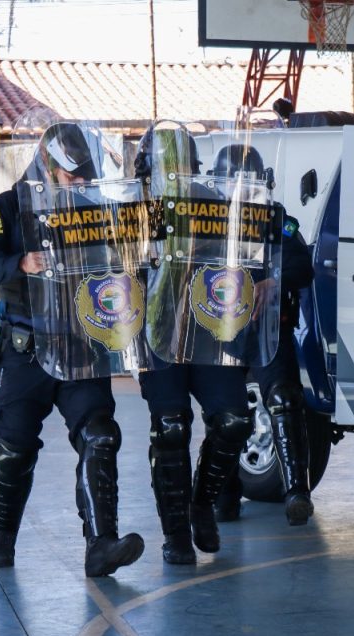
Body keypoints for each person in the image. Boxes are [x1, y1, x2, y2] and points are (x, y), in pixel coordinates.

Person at [0, 122, 145, 577]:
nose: (79, 182)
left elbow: (127, 259)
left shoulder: (94, 210)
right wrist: (19, 263)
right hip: (25, 350)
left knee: (100, 434)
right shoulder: (8, 208)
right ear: (47, 165)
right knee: (15, 445)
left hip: (81, 346)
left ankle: (101, 545)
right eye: (71, 174)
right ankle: (1, 539)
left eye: (85, 174)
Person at [135, 127, 255, 564]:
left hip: (208, 328)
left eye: (182, 162)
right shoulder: (129, 205)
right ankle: (176, 537)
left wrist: (261, 278)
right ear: (147, 167)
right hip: (157, 332)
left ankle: (201, 503)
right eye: (168, 162)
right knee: (170, 427)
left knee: (234, 420)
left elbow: (248, 251)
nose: (176, 170)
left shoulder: (213, 202)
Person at [209, 144, 317, 526]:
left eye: (249, 180)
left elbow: (303, 265)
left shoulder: (276, 219)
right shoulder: (203, 221)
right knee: (224, 415)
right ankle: (222, 497)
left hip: (267, 332)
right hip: (220, 333)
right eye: (235, 180)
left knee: (285, 398)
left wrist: (275, 280)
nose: (242, 187)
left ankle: (297, 493)